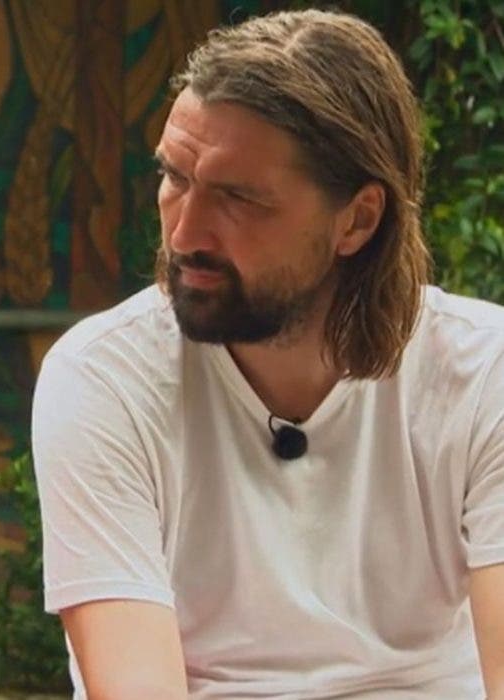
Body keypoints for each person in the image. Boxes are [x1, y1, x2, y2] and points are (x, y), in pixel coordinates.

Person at [32, 8, 504, 700]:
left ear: (357, 219)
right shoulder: (104, 378)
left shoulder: (482, 372)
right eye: (175, 178)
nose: (185, 233)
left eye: (238, 198)